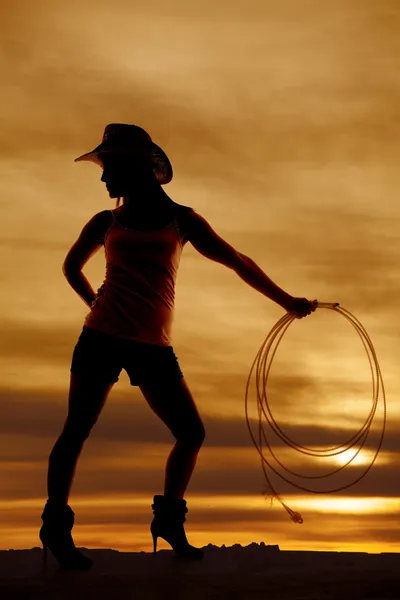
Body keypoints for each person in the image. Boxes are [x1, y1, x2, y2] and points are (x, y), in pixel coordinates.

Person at [39, 123, 317, 570]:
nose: (103, 179)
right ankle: (55, 527)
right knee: (76, 430)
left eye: (110, 168)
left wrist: (287, 301)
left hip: (152, 345)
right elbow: (72, 267)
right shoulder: (104, 222)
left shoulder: (182, 221)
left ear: (137, 169)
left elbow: (237, 261)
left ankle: (168, 521)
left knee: (191, 433)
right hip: (101, 338)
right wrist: (96, 303)